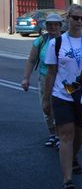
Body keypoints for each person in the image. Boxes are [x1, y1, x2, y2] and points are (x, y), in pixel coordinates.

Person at [43, 5, 82, 189]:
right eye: (75, 18)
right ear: (68, 18)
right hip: (62, 96)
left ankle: (74, 157)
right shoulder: (57, 43)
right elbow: (51, 73)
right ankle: (67, 180)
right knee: (66, 136)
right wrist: (46, 99)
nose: (78, 22)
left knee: (79, 136)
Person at [22, 12, 63, 148]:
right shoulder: (41, 41)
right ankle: (52, 134)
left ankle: (59, 136)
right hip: (45, 77)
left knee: (60, 108)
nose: (52, 27)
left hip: (61, 79)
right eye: (50, 24)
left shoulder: (65, 41)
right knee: (46, 107)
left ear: (60, 26)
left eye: (55, 24)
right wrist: (26, 78)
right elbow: (32, 60)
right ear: (46, 26)